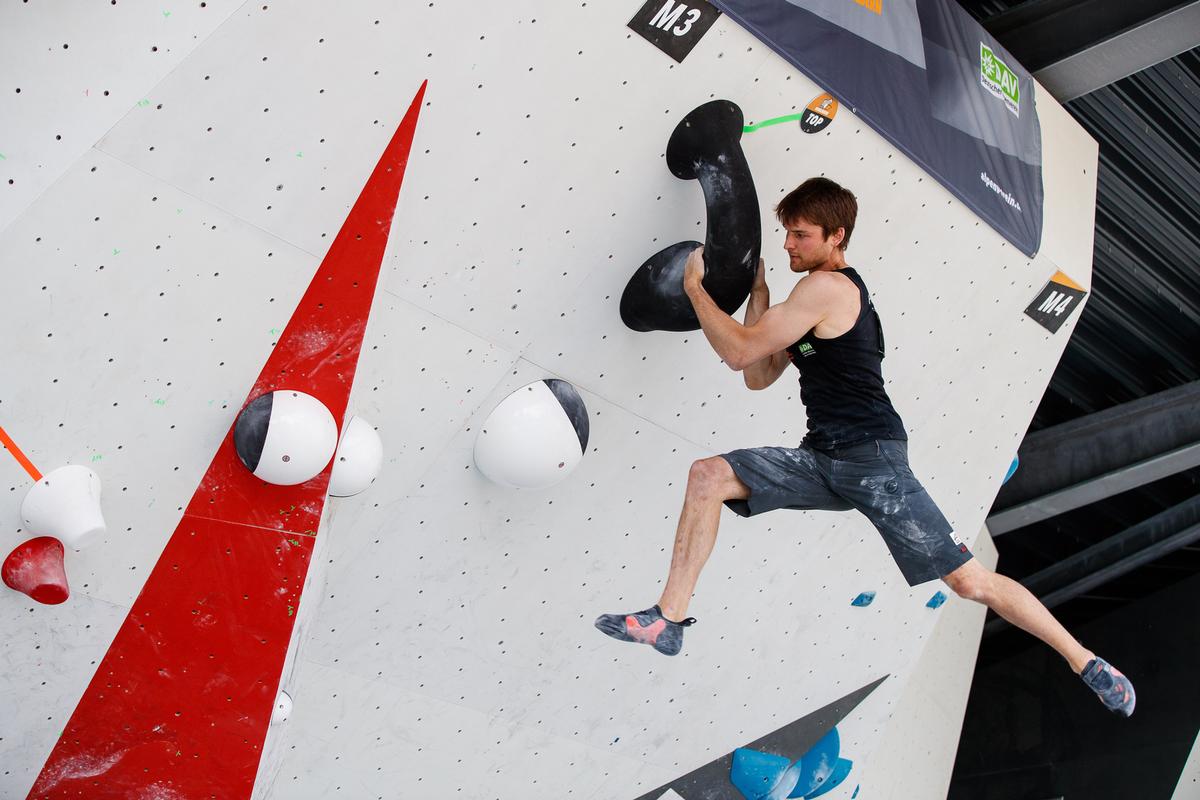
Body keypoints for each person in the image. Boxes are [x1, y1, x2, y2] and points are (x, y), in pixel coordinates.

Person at [595, 177, 1135, 717]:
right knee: (709, 475)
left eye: (800, 235)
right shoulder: (806, 302)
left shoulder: (829, 290)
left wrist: (695, 291)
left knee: (968, 581)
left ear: (837, 236)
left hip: (873, 460)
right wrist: (759, 299)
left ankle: (1085, 661)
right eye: (786, 234)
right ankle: (667, 620)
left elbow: (737, 355)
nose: (787, 245)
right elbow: (758, 374)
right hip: (822, 457)